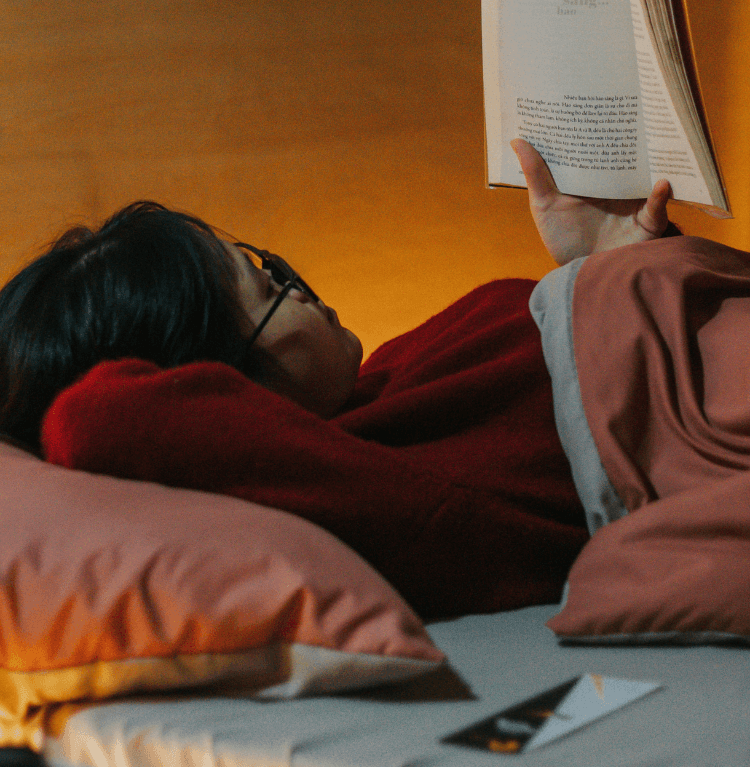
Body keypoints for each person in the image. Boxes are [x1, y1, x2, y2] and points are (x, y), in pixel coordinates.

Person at [0, 141, 674, 620]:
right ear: (211, 389)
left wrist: (608, 272)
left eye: (269, 264)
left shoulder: (386, 382)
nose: (299, 286)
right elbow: (94, 420)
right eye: (267, 286)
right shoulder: (370, 488)